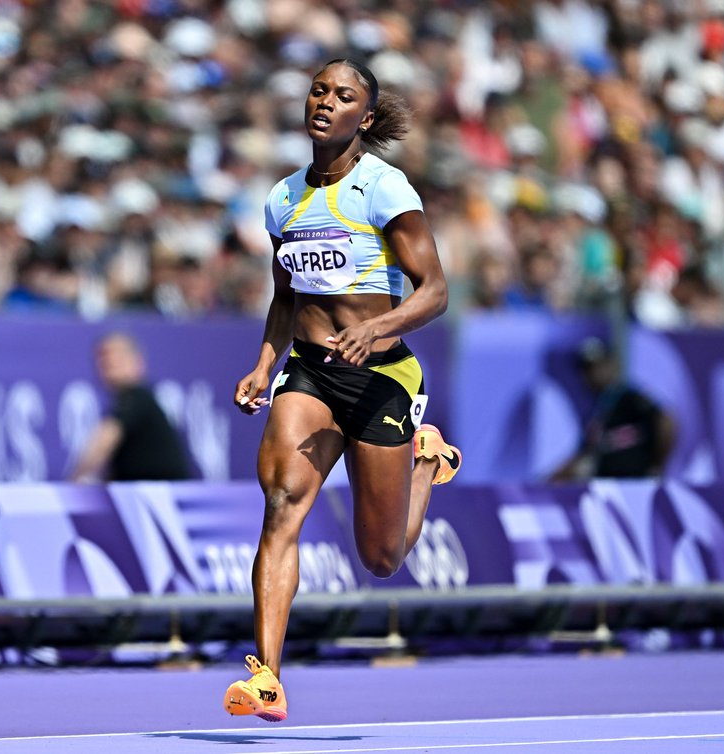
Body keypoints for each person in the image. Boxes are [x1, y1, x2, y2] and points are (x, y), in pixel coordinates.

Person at [222, 59, 461, 723]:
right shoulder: (282, 199)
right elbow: (285, 297)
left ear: (365, 116)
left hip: (381, 377)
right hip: (310, 373)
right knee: (280, 504)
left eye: (344, 96)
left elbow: (436, 291)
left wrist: (376, 328)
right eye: (319, 90)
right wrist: (264, 364)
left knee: (381, 558)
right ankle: (267, 678)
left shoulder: (382, 188)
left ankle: (425, 462)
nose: (325, 101)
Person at [69, 332, 190, 482]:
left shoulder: (136, 397)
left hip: (163, 490)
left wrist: (74, 480)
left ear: (138, 362)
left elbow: (105, 440)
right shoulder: (127, 402)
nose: (109, 362)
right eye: (103, 357)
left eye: (117, 357)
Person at [551, 337, 675, 481]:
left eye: (599, 366)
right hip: (606, 485)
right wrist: (551, 480)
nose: (593, 374)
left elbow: (666, 423)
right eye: (587, 369)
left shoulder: (629, 398)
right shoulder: (594, 411)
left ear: (612, 365)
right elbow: (583, 453)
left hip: (635, 483)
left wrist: (657, 466)